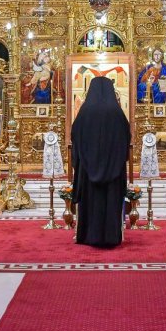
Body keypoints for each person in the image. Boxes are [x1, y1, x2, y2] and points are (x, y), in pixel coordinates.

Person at [71, 76, 131, 248]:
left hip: (89, 173)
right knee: (111, 201)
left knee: (90, 203)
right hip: (113, 173)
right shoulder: (116, 112)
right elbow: (126, 137)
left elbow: (75, 135)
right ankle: (111, 237)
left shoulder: (85, 111)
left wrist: (83, 157)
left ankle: (87, 235)